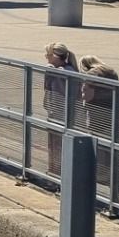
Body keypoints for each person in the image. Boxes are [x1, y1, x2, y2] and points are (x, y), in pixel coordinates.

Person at [43, 42, 76, 173]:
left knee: (58, 144)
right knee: (53, 143)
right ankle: (53, 170)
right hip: (56, 111)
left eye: (47, 55)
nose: (46, 57)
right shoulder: (59, 70)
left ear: (55, 56)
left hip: (62, 112)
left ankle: (57, 171)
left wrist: (52, 73)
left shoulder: (65, 72)